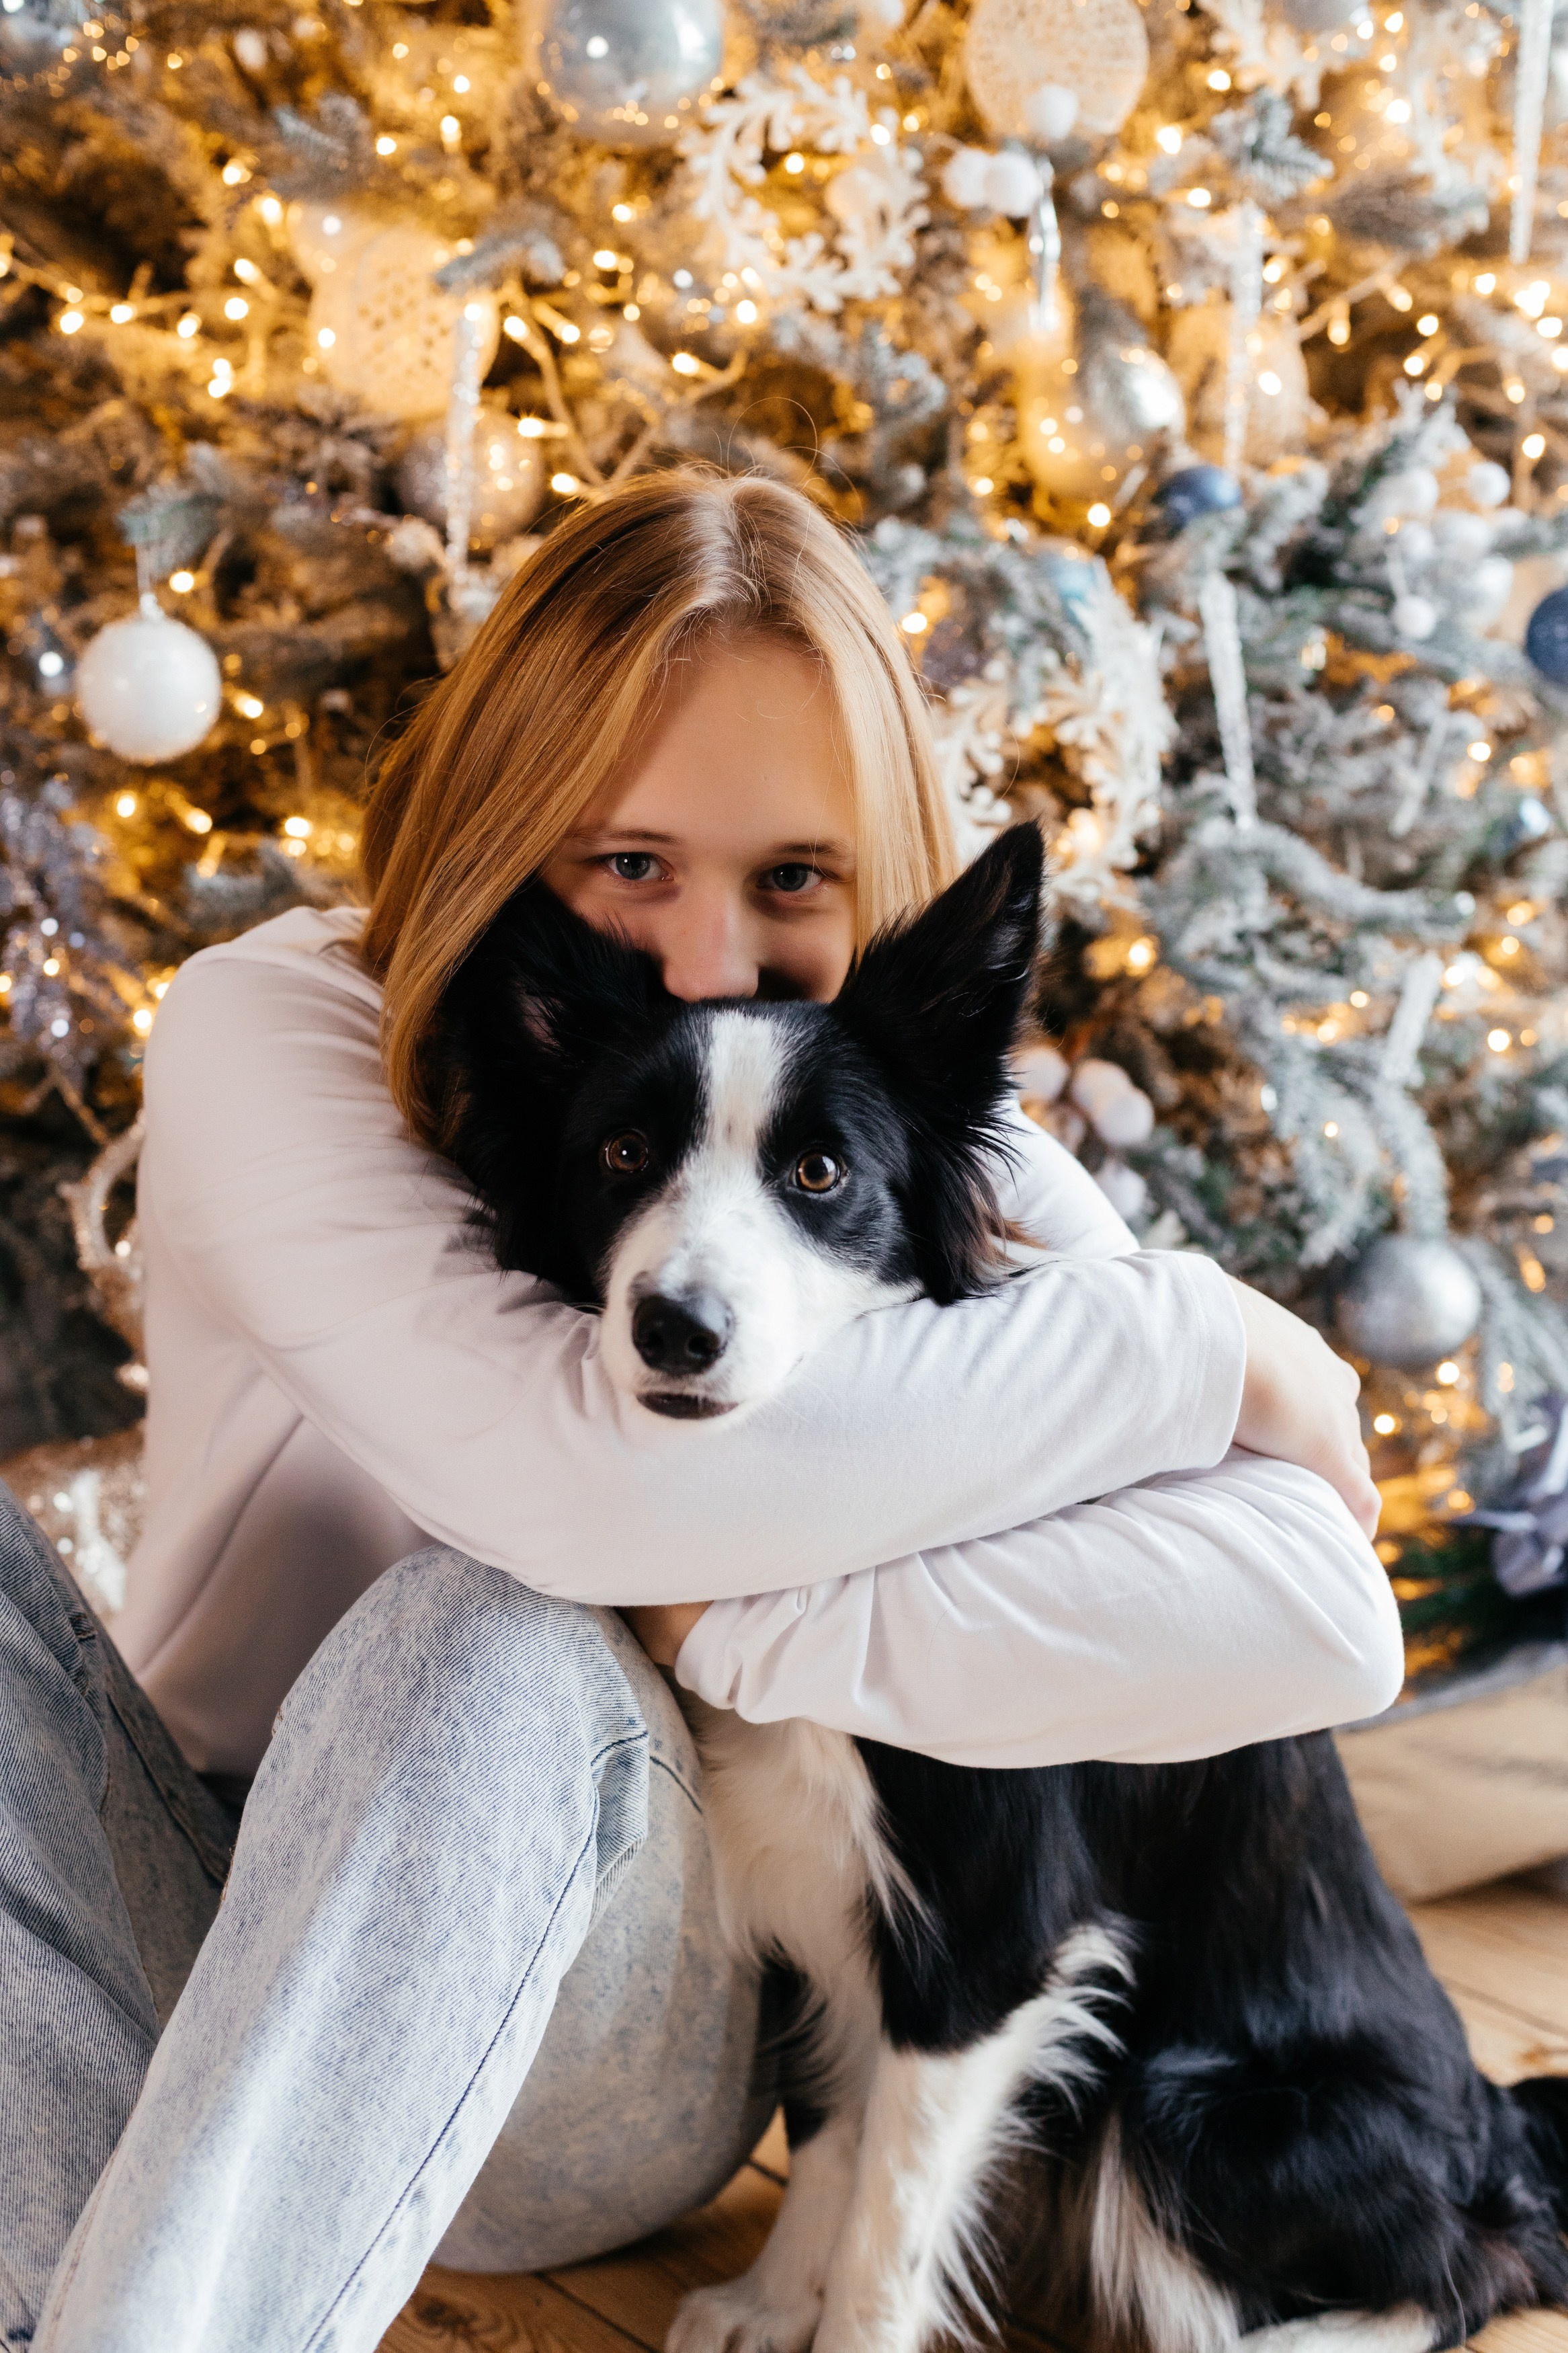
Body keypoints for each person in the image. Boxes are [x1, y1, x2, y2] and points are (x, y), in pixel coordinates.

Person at [1, 468, 1397, 2353]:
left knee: (484, 1626)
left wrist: (739, 1614)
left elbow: (1321, 1608)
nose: (714, 965)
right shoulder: (274, 1026)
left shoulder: (881, 1117)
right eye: (631, 859)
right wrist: (1212, 1348)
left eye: (795, 877)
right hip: (180, 1915)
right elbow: (578, 1494)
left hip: (584, 2041)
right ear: (508, 827)